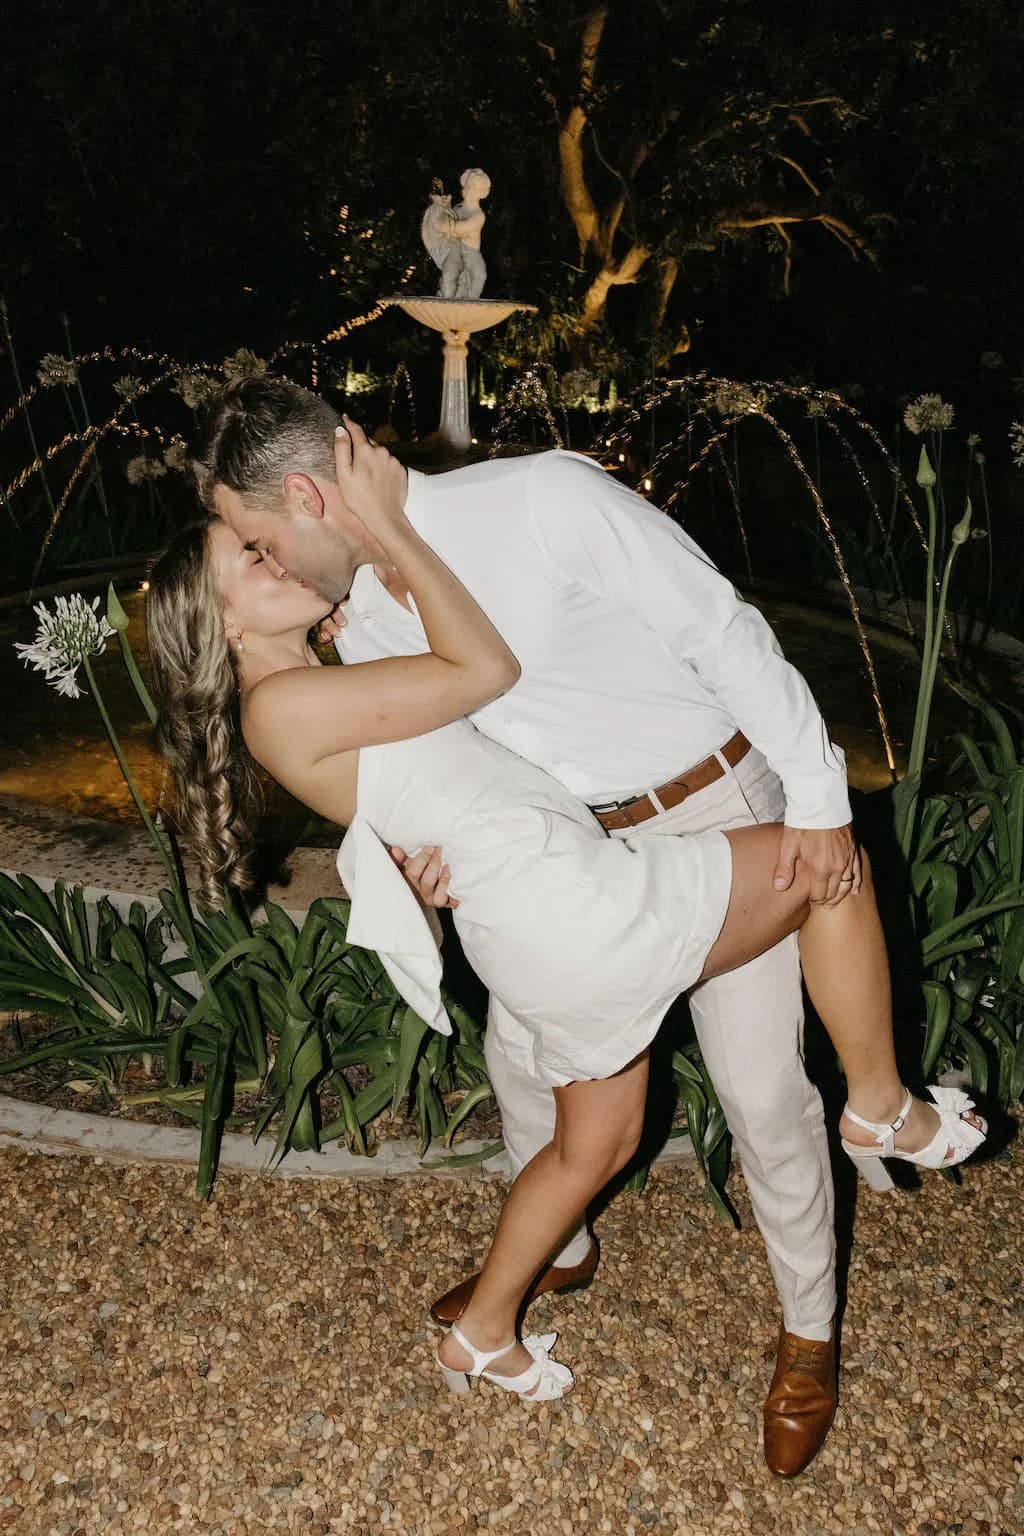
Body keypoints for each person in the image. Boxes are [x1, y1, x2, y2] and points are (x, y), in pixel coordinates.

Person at [148, 404, 986, 1460]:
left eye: (260, 538)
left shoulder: (541, 498)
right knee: (525, 1074)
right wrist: (418, 851)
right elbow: (424, 757)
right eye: (253, 558)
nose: (271, 559)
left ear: (308, 498)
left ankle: (808, 1331)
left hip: (719, 807)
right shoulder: (356, 624)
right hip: (572, 864)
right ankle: (560, 1251)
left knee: (764, 1096)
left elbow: (722, 631)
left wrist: (818, 797)